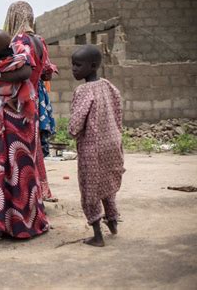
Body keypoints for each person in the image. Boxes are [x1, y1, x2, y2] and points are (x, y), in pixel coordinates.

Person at [0, 1, 53, 239]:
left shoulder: (20, 41)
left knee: (12, 166)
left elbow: (24, 71)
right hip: (29, 109)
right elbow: (43, 72)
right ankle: (30, 218)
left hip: (14, 112)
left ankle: (15, 223)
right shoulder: (40, 42)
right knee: (27, 166)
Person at [68, 44, 125, 247]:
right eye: (73, 65)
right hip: (112, 143)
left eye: (78, 65)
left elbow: (76, 123)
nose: (74, 69)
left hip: (92, 148)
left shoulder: (83, 90)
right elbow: (118, 113)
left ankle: (97, 236)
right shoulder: (110, 86)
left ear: (92, 66)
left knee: (90, 189)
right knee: (107, 185)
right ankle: (113, 224)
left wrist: (71, 131)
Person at [0, 29, 36, 145]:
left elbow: (24, 74)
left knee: (17, 141)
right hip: (4, 108)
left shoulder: (19, 53)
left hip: (17, 107)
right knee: (7, 143)